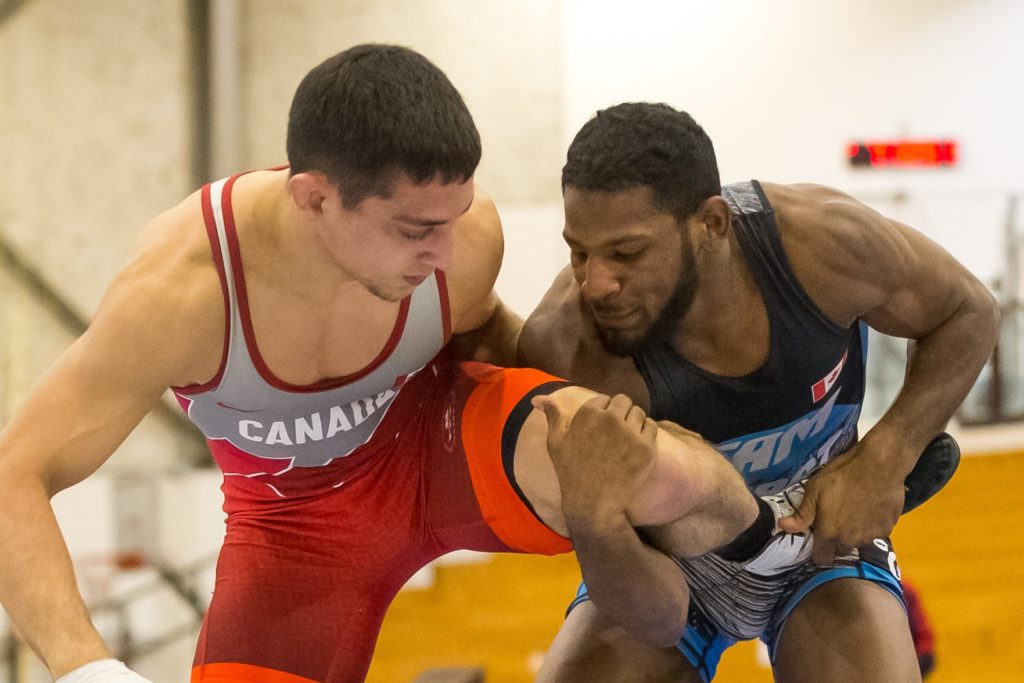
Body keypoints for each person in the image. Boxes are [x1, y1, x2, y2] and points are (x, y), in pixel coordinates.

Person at [0, 47, 814, 683]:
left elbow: (505, 348)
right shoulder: (179, 296)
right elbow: (17, 474)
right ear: (314, 198)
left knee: (646, 466)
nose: (443, 248)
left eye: (455, 216)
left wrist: (601, 426)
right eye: (415, 228)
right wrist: (84, 662)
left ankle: (774, 541)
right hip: (293, 530)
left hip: (437, 442)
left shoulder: (463, 245)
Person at [518, 102, 999, 682]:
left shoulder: (822, 245)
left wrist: (885, 457)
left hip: (824, 540)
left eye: (627, 253)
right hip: (676, 562)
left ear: (712, 224)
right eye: (579, 251)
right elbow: (657, 616)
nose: (596, 283)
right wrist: (597, 525)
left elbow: (968, 310)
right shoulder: (566, 350)